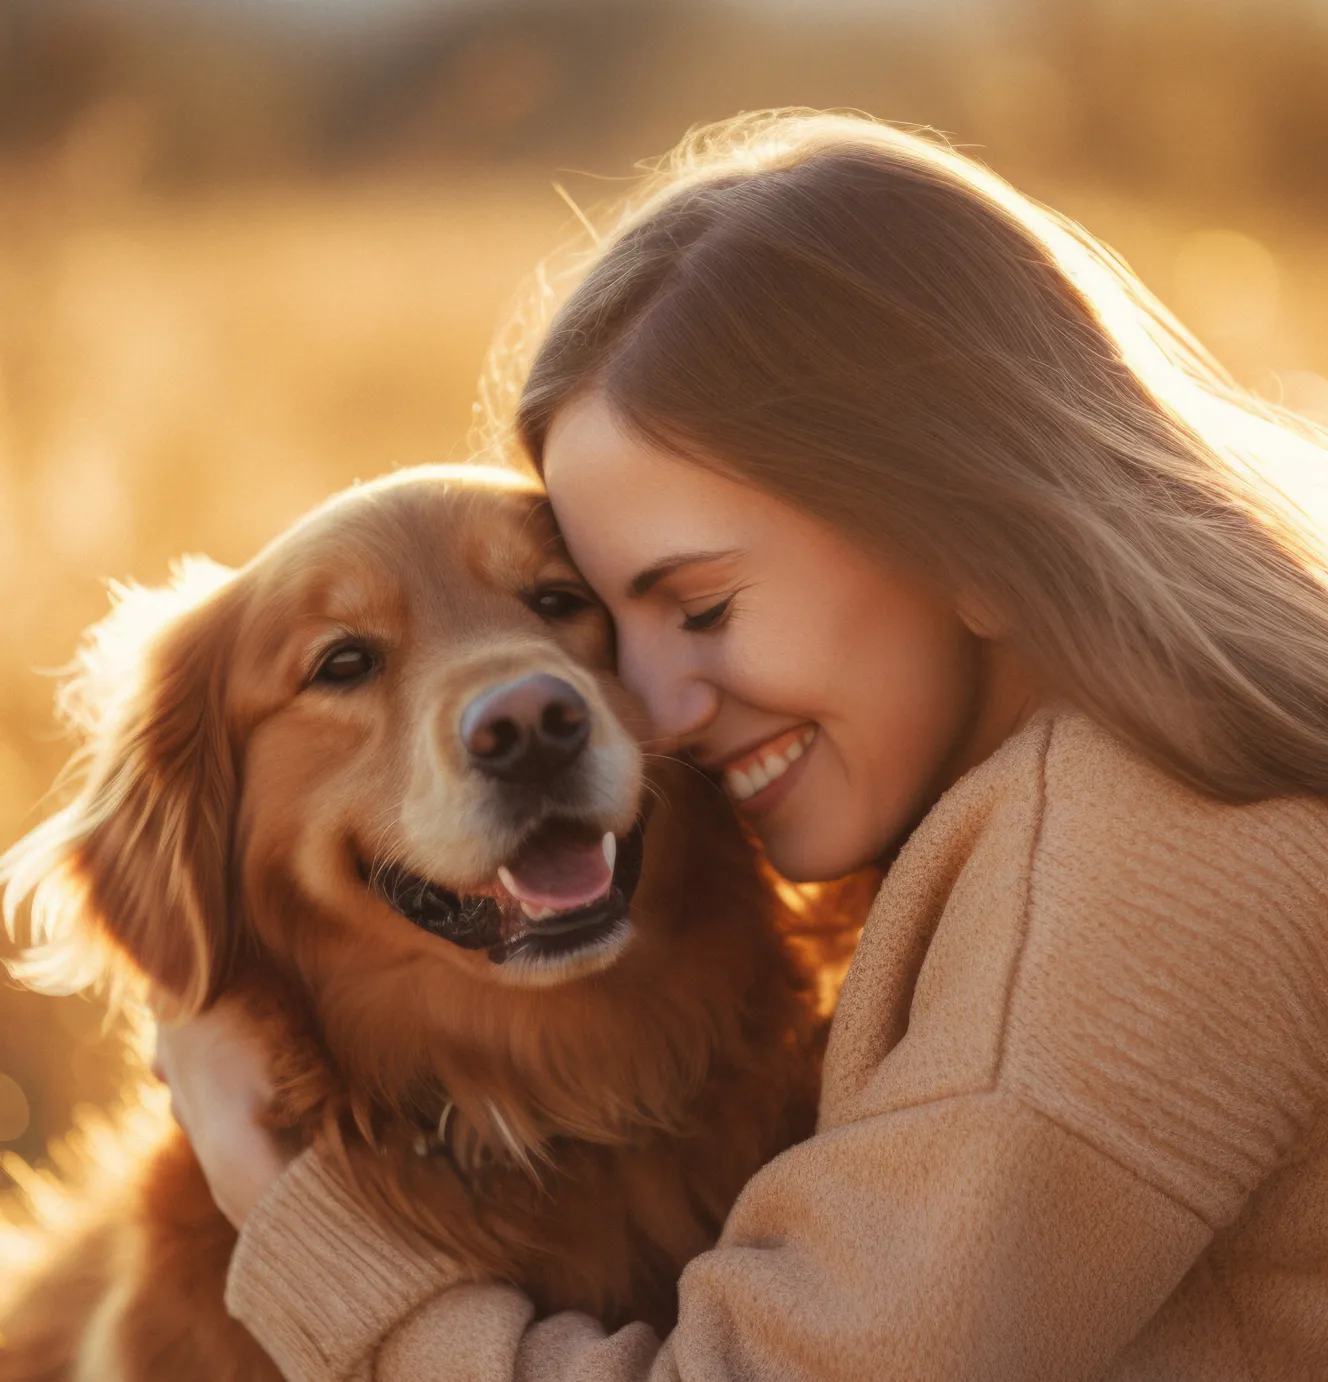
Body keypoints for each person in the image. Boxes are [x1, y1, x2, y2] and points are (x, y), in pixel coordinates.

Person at [154, 112, 1328, 1380]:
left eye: (702, 606)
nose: (647, 713)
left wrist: (284, 1209)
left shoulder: (1125, 875)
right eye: (609, 618)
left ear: (969, 535)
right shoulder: (1108, 790)